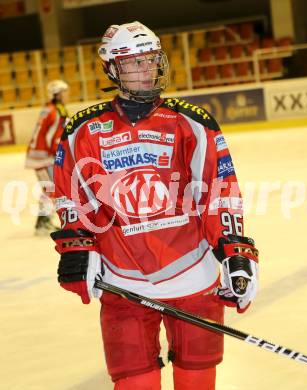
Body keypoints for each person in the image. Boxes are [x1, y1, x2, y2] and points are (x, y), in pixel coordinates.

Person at [51, 22, 259, 390]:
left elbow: (219, 190)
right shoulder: (82, 128)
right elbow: (71, 194)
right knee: (135, 384)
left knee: (198, 382)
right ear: (111, 68)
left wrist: (235, 250)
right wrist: (76, 245)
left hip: (194, 278)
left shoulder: (190, 121)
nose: (146, 69)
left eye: (151, 60)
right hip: (122, 283)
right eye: (134, 62)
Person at [25, 79, 69, 235]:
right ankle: (43, 223)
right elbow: (53, 137)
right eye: (64, 92)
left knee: (49, 189)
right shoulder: (56, 111)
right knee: (51, 189)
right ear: (56, 94)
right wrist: (59, 154)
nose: (66, 95)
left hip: (39, 155)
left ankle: (43, 222)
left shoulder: (49, 108)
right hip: (43, 157)